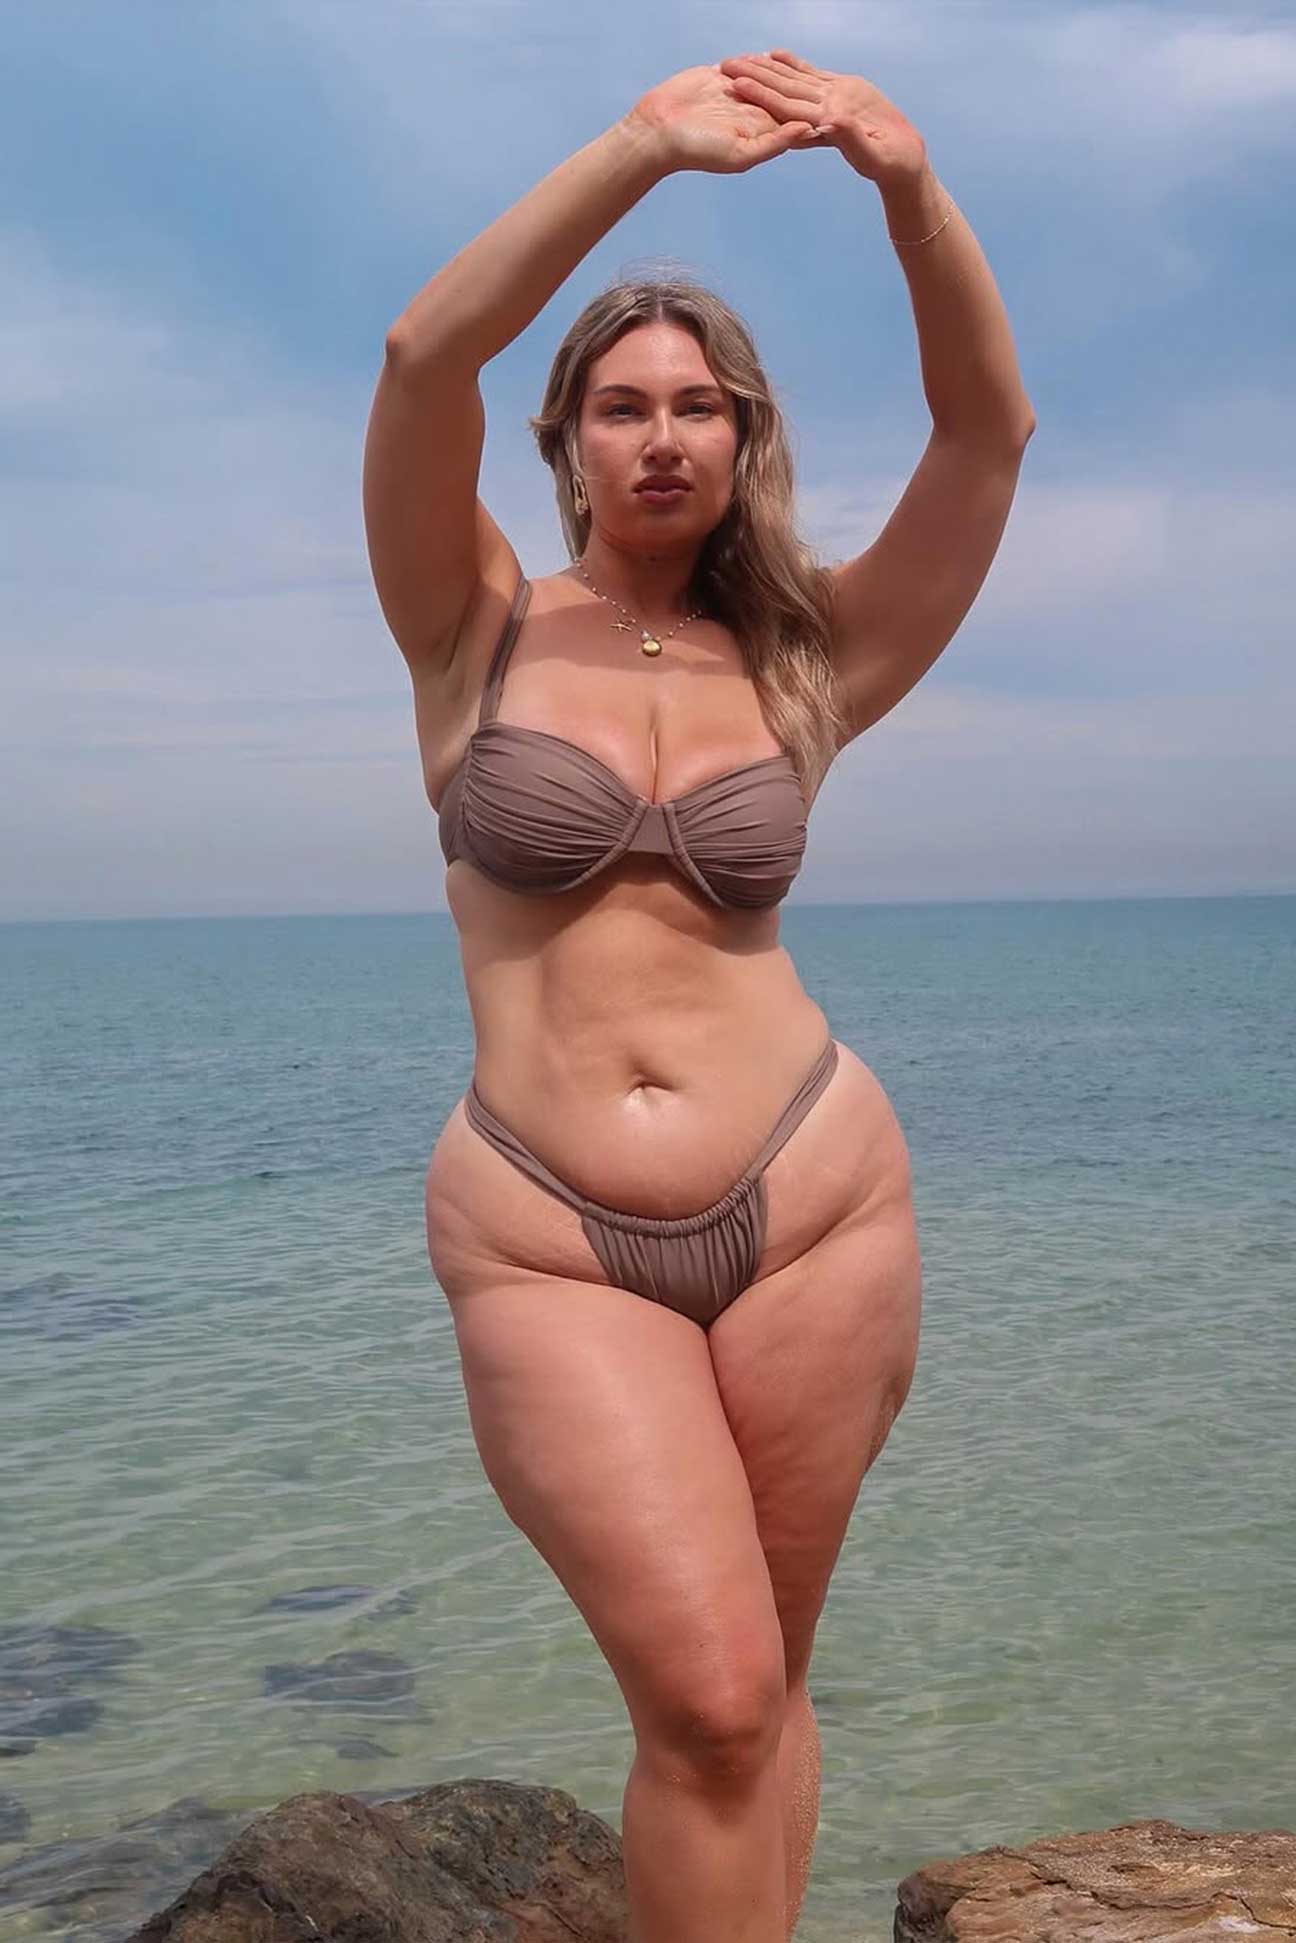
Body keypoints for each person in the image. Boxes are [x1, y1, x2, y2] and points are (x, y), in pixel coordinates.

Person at [363, 48, 1034, 1943]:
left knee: (759, 1696)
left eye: (702, 408)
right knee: (714, 1691)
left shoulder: (812, 654)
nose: (663, 437)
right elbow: (422, 358)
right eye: (622, 406)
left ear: (745, 438)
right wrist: (648, 151)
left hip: (820, 1206)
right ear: (565, 437)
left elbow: (988, 438)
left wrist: (911, 191)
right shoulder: (470, 621)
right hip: (549, 1229)